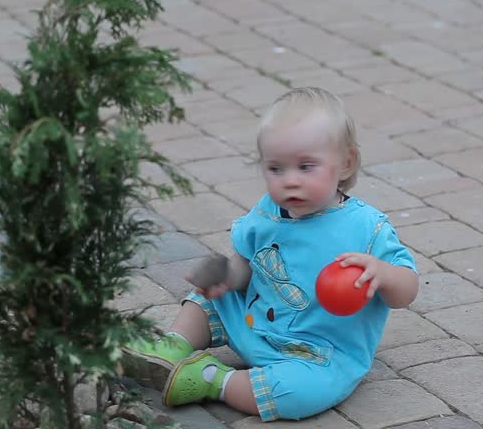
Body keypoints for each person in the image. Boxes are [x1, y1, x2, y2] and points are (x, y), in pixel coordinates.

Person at [123, 87, 419, 421]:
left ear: (346, 163)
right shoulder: (268, 212)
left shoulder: (367, 227)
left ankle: (214, 379)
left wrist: (385, 273)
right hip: (253, 323)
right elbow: (248, 268)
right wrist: (226, 277)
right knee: (209, 301)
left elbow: (407, 291)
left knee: (300, 395)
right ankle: (173, 345)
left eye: (306, 167)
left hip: (318, 355)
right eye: (276, 169)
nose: (290, 181)